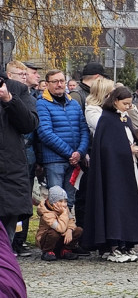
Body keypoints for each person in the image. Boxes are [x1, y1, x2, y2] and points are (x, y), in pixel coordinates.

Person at [80, 86, 138, 262]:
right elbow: (106, 148)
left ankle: (127, 243)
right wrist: (128, 149)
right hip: (113, 173)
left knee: (130, 205)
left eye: (130, 104)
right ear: (115, 101)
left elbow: (130, 139)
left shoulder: (125, 118)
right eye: (125, 104)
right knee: (115, 206)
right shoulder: (106, 119)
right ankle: (114, 245)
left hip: (130, 169)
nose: (128, 107)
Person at [36, 69, 89, 209]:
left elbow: (84, 129)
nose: (59, 84)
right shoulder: (42, 103)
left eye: (61, 81)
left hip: (74, 161)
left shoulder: (74, 103)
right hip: (55, 160)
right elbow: (45, 133)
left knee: (69, 201)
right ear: (47, 84)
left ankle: (67, 224)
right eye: (55, 81)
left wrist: (80, 152)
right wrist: (70, 153)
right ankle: (54, 224)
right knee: (56, 203)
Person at [0, 69, 38, 247]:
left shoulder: (16, 89)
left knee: (5, 240)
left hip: (9, 173)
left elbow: (29, 124)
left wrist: (9, 99)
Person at [35, 186, 83, 261]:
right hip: (47, 239)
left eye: (65, 201)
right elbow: (60, 229)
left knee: (78, 230)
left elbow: (71, 221)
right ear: (53, 202)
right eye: (60, 201)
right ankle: (47, 251)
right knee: (54, 233)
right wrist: (63, 214)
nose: (64, 204)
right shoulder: (46, 213)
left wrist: (69, 230)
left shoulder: (64, 208)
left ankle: (65, 250)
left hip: (61, 237)